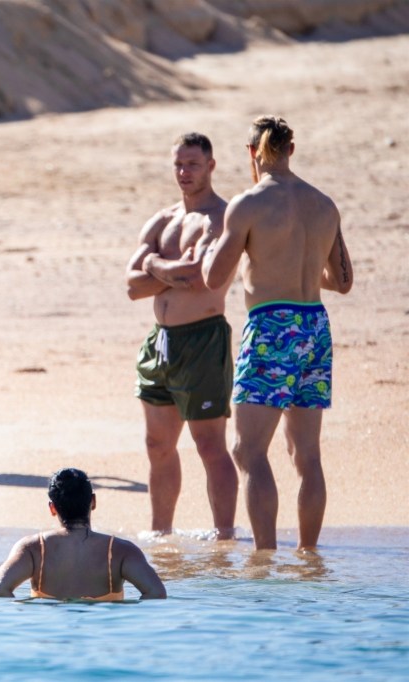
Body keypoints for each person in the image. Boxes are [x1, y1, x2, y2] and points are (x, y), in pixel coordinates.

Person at [203, 116, 354, 551]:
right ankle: (309, 557)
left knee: (248, 452)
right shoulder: (324, 204)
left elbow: (215, 278)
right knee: (306, 455)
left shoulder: (248, 204)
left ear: (251, 154)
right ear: (292, 149)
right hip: (315, 326)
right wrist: (294, 270)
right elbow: (341, 280)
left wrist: (222, 242)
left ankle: (264, 561)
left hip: (271, 328)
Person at [125, 132, 239, 539]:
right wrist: (164, 267)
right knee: (157, 445)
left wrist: (155, 267)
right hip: (160, 342)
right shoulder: (163, 219)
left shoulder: (223, 218)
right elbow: (132, 286)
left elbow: (196, 277)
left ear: (211, 165)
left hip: (203, 340)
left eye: (192, 164)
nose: (184, 172)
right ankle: (161, 534)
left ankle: (225, 535)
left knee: (210, 445)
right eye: (178, 164)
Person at [0, 468, 166, 600]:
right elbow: (156, 593)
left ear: (52, 508)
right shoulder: (122, 551)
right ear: (93, 502)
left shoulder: (32, 549)